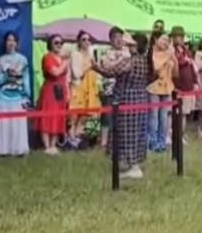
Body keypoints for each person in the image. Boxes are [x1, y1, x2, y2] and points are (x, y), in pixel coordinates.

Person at [105, 33, 150, 179]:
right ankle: (134, 164)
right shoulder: (144, 60)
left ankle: (134, 167)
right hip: (141, 98)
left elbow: (110, 72)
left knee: (127, 132)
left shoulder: (131, 61)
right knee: (137, 132)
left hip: (127, 99)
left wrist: (93, 66)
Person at [0, 32, 30, 156]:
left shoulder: (23, 60)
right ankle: (3, 149)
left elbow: (26, 79)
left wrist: (27, 95)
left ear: (17, 43)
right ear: (5, 43)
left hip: (18, 96)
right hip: (3, 96)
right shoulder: (0, 60)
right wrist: (6, 75)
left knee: (17, 124)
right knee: (4, 123)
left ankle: (18, 149)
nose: (11, 43)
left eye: (13, 40)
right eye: (9, 40)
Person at [67, 30, 101, 149]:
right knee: (74, 115)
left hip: (91, 88)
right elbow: (77, 74)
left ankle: (78, 137)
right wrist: (89, 66)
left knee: (86, 115)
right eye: (83, 40)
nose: (86, 42)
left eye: (88, 40)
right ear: (79, 42)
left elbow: (98, 70)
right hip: (79, 87)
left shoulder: (92, 54)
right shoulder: (76, 55)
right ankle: (71, 139)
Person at [37, 34, 69, 155]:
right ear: (50, 44)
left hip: (61, 91)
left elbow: (65, 77)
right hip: (50, 90)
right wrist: (65, 62)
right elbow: (55, 73)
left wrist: (67, 92)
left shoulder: (62, 59)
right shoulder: (47, 57)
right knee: (47, 116)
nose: (59, 45)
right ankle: (46, 146)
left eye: (61, 43)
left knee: (58, 116)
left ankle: (53, 145)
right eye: (56, 42)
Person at [146, 32, 176, 152]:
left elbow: (175, 73)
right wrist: (168, 56)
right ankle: (152, 142)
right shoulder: (150, 53)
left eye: (168, 41)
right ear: (155, 39)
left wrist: (174, 59)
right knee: (153, 116)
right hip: (153, 88)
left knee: (164, 117)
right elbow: (156, 69)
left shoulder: (169, 54)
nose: (166, 43)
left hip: (167, 89)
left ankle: (161, 143)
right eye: (163, 39)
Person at [171, 26, 198, 141]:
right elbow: (176, 66)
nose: (181, 39)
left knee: (185, 113)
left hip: (188, 86)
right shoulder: (171, 51)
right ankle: (175, 135)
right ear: (173, 37)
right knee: (176, 113)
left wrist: (195, 82)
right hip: (178, 87)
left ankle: (182, 133)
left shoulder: (186, 52)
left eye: (182, 36)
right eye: (179, 36)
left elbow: (192, 68)